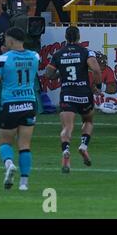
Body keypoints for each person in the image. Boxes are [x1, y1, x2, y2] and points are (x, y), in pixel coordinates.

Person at [0, 27, 40, 191]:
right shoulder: (35, 57)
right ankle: (24, 183)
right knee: (25, 144)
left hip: (10, 104)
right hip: (29, 103)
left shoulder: (3, 59)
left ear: (10, 40)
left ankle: (9, 164)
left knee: (4, 141)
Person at [45, 26, 102, 173]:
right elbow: (96, 70)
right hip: (84, 94)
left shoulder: (58, 53)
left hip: (67, 94)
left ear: (65, 37)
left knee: (67, 128)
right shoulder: (85, 51)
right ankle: (83, 145)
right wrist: (97, 86)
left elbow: (48, 74)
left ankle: (66, 151)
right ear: (78, 37)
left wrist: (60, 73)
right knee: (88, 121)